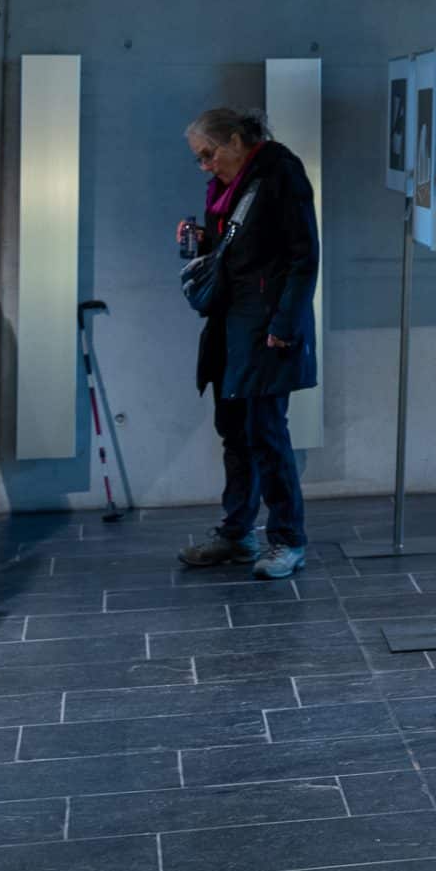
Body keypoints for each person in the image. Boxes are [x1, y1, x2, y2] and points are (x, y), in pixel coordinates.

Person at [175, 107, 320, 580]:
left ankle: (287, 540)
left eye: (209, 154)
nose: (206, 165)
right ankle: (237, 533)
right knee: (234, 432)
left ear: (236, 140)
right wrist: (201, 241)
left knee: (266, 434)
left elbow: (304, 258)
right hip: (230, 326)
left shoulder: (280, 173)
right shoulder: (225, 187)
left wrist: (286, 324)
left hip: (266, 330)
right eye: (199, 159)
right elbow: (231, 250)